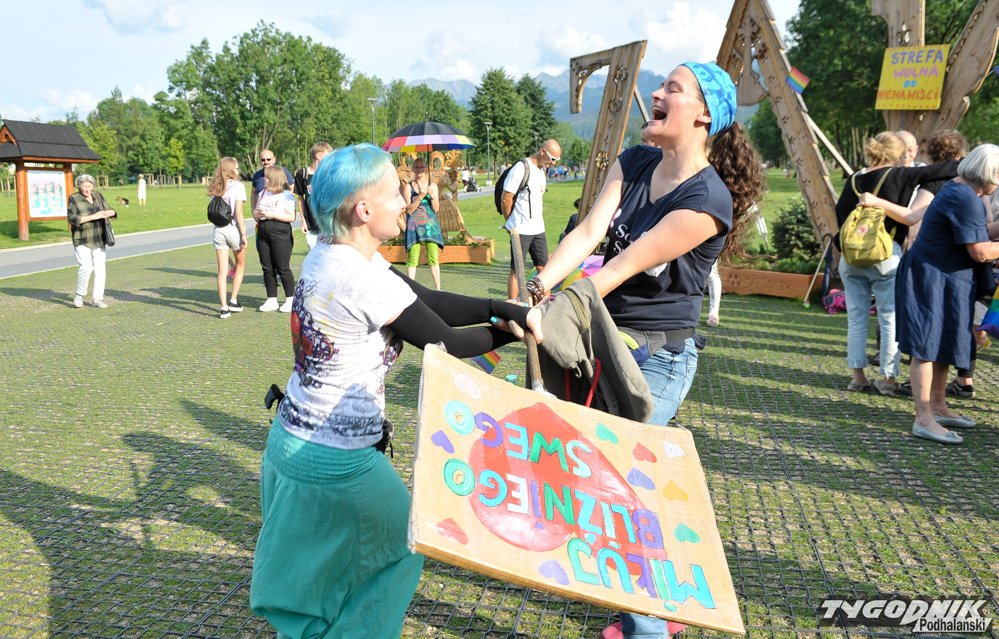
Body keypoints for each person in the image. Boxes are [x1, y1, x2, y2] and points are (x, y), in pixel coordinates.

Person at [248, 143, 533, 639]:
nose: (406, 201)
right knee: (404, 542)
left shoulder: (330, 253)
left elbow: (427, 299)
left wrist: (498, 307)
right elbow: (447, 342)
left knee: (319, 572)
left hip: (289, 443)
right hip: (334, 460)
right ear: (363, 209)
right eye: (395, 193)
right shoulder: (362, 278)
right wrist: (514, 331)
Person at [523, 61, 766, 639]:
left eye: (672, 89)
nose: (656, 93)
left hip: (658, 361)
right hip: (605, 343)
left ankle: (649, 624)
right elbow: (588, 235)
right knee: (620, 483)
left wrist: (555, 311)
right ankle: (664, 599)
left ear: (703, 115)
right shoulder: (634, 162)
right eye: (661, 86)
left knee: (605, 483)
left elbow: (621, 267)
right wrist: (538, 289)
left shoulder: (708, 199)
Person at [834, 131, 958, 396]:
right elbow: (945, 170)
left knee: (856, 318)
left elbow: (841, 217)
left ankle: (857, 377)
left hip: (851, 257)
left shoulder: (853, 179)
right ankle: (888, 379)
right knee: (889, 318)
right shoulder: (901, 175)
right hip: (885, 255)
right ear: (899, 154)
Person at [895, 143, 999, 444]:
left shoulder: (963, 191)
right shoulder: (963, 197)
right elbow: (980, 251)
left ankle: (938, 406)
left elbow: (977, 231)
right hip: (931, 278)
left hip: (948, 278)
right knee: (926, 345)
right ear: (989, 173)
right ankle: (923, 418)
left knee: (944, 342)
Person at [502, 139, 562, 299]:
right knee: (517, 271)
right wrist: (510, 223)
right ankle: (512, 306)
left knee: (545, 270)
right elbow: (506, 199)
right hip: (520, 228)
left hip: (538, 229)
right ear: (542, 151)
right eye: (552, 159)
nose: (554, 163)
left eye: (556, 160)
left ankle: (545, 306)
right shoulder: (521, 167)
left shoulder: (542, 171)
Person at [67, 174, 116, 309]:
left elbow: (111, 209)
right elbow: (72, 219)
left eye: (89, 186)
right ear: (79, 186)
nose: (87, 189)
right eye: (84, 186)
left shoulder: (98, 196)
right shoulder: (74, 198)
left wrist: (110, 213)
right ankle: (79, 295)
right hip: (82, 237)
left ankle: (97, 298)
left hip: (99, 237)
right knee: (86, 267)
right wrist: (94, 216)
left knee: (100, 269)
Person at [208, 157, 248, 319]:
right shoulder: (238, 186)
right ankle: (233, 300)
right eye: (237, 167)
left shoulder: (214, 186)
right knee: (241, 265)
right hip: (233, 228)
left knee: (222, 271)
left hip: (218, 230)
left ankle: (224, 308)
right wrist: (243, 234)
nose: (238, 170)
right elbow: (238, 212)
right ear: (231, 169)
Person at [254, 165, 298, 312]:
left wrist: (272, 214)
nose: (263, 179)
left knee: (282, 267)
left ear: (274, 179)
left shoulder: (286, 195)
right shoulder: (263, 193)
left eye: (266, 177)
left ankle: (290, 299)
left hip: (280, 231)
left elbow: (291, 217)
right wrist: (257, 214)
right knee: (267, 267)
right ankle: (271, 299)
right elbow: (256, 212)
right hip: (263, 230)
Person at [401, 157, 445, 289]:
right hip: (414, 225)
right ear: (413, 169)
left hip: (430, 225)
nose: (420, 170)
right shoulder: (408, 187)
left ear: (426, 169)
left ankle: (438, 289)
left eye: (422, 167)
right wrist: (421, 195)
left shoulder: (432, 186)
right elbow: (408, 210)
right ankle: (410, 289)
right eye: (417, 167)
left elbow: (436, 209)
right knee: (412, 258)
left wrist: (432, 195)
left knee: (433, 257)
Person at [294, 141, 333, 250]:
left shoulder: (330, 174)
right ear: (318, 155)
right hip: (312, 228)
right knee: (313, 255)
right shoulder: (302, 174)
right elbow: (300, 198)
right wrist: (303, 221)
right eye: (328, 155)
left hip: (329, 227)